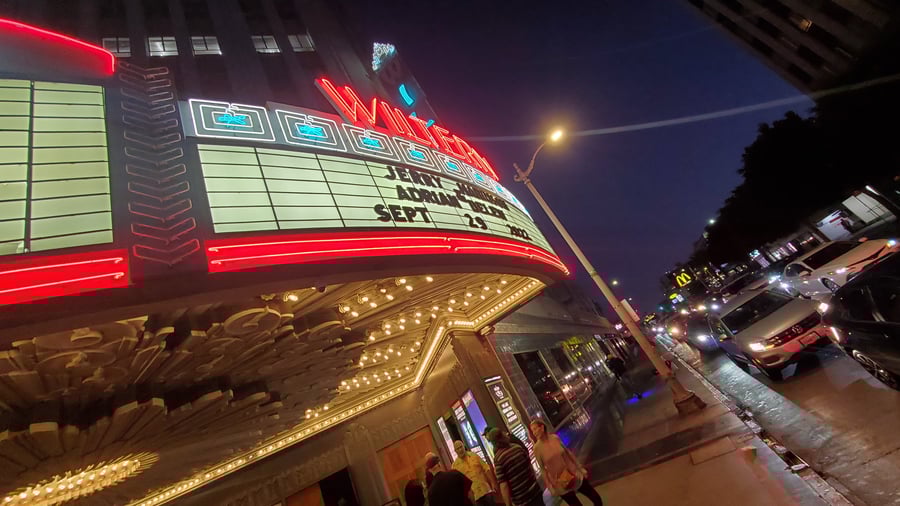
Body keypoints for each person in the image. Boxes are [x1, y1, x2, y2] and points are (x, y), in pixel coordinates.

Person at [530, 419, 604, 506]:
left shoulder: (555, 438)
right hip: (559, 483)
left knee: (596, 498)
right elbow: (543, 470)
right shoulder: (537, 449)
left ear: (542, 427)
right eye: (532, 431)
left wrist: (580, 468)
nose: (534, 433)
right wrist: (550, 487)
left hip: (573, 473)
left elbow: (568, 453)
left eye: (535, 429)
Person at [486, 428, 543, 506]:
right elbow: (530, 466)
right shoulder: (517, 447)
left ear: (494, 443)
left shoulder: (498, 458)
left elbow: (504, 485)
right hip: (535, 491)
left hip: (521, 499)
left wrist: (508, 504)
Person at [451, 440, 499, 506]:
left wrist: (493, 483)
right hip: (474, 497)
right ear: (455, 451)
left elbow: (486, 468)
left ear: (464, 446)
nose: (460, 450)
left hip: (485, 490)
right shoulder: (455, 466)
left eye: (461, 447)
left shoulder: (474, 455)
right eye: (457, 449)